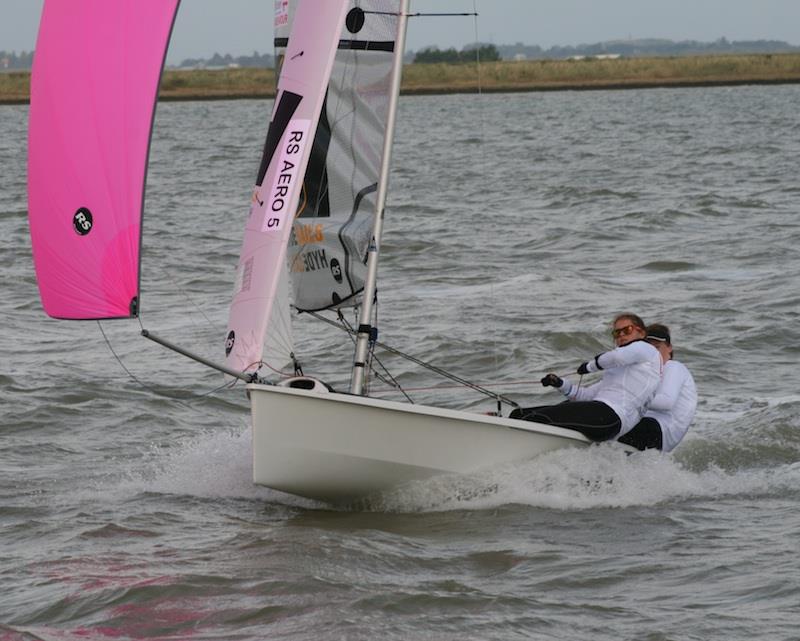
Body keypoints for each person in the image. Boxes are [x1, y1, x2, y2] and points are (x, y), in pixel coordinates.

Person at [509, 313, 662, 442]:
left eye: (627, 330)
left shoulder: (647, 349)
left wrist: (590, 366)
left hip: (611, 417)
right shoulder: (622, 372)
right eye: (616, 333)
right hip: (604, 416)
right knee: (520, 414)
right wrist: (559, 383)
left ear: (641, 333)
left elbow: (617, 357)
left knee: (539, 418)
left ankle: (512, 446)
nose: (621, 335)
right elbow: (585, 395)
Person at [618, 324, 697, 452]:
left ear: (669, 348)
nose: (653, 354)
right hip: (648, 430)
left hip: (658, 431)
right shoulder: (647, 374)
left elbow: (666, 402)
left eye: (657, 348)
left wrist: (627, 398)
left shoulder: (673, 367)